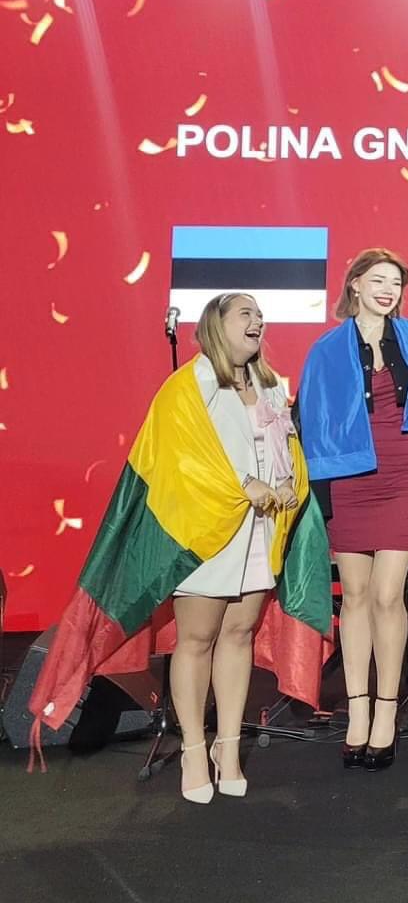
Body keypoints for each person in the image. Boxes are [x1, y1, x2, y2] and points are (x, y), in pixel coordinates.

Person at [30, 292, 332, 802]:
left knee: (238, 634)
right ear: (217, 324)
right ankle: (194, 748)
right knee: (198, 639)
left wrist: (287, 483)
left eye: (260, 315)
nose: (258, 321)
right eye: (246, 313)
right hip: (200, 535)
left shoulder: (270, 386)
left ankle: (227, 747)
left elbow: (287, 451)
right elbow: (179, 462)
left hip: (258, 533)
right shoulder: (186, 387)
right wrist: (244, 485)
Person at [298, 248, 408, 771]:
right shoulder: (326, 350)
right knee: (353, 597)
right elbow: (313, 426)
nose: (387, 290)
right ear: (354, 284)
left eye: (395, 282)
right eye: (377, 280)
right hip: (346, 477)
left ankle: (386, 713)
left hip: (404, 473)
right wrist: (322, 499)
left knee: (387, 595)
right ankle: (357, 711)